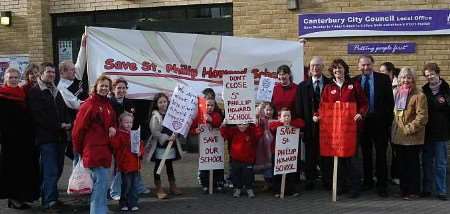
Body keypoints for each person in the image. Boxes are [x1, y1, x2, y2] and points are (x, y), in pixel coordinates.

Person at [318, 59, 368, 198]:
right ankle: (340, 186)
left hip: (351, 129)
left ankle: (355, 188)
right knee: (338, 159)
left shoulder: (354, 85)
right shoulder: (328, 88)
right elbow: (323, 106)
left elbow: (364, 103)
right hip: (335, 131)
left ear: (345, 69)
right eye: (335, 69)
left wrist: (360, 113)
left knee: (352, 159)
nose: (337, 71)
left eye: (340, 68)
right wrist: (317, 115)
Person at [28, 62, 71, 210]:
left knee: (57, 169)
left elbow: (63, 109)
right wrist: (59, 126)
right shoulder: (35, 92)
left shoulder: (55, 90)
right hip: (46, 138)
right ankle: (48, 201)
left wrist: (67, 123)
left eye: (53, 72)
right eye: (48, 72)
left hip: (59, 138)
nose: (52, 74)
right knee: (50, 171)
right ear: (41, 74)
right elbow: (39, 117)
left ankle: (50, 196)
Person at [72, 75, 117, 214]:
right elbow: (77, 130)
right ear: (96, 87)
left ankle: (102, 208)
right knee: (101, 182)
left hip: (104, 150)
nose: (104, 88)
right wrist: (79, 150)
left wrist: (113, 127)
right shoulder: (89, 104)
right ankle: (97, 211)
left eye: (106, 86)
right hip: (93, 150)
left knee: (103, 183)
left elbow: (113, 121)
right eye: (102, 85)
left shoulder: (107, 104)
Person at [354, 55, 394, 197]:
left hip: (380, 124)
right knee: (365, 154)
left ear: (373, 64)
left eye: (368, 64)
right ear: (359, 66)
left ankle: (382, 185)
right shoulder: (355, 81)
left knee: (381, 154)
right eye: (363, 65)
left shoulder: (383, 79)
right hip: (363, 124)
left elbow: (390, 103)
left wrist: (388, 123)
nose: (366, 67)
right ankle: (368, 181)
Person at [0, 67, 40, 209]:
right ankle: (13, 199)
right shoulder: (2, 95)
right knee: (13, 170)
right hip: (10, 140)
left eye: (16, 77)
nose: (13, 80)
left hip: (25, 139)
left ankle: (21, 198)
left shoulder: (22, 93)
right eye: (10, 77)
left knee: (25, 169)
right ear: (5, 78)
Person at [109, 78, 150, 201]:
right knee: (118, 165)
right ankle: (115, 190)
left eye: (123, 88)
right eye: (119, 88)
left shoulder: (130, 103)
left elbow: (134, 120)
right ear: (113, 89)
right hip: (116, 136)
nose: (121, 90)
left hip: (130, 135)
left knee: (134, 162)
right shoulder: (109, 103)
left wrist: (136, 135)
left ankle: (138, 186)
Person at [294, 56, 332, 190]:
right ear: (309, 68)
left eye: (318, 65)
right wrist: (303, 127)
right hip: (309, 128)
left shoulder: (330, 84)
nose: (315, 68)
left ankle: (327, 180)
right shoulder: (302, 86)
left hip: (327, 128)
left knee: (326, 156)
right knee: (310, 155)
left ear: (323, 67)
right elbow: (299, 109)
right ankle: (310, 180)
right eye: (312, 66)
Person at [392, 67, 428, 200]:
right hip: (398, 137)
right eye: (403, 77)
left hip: (412, 137)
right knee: (402, 165)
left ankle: (414, 192)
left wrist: (408, 129)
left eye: (409, 78)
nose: (406, 80)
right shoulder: (399, 93)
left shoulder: (420, 95)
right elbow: (396, 115)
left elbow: (422, 117)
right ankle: (404, 190)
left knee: (412, 166)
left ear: (413, 79)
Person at [57, 34, 88, 162]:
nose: (74, 71)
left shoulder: (75, 75)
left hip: (86, 118)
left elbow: (80, 61)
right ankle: (76, 180)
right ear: (63, 72)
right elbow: (75, 104)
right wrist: (92, 102)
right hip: (76, 123)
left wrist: (83, 45)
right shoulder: (62, 87)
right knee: (77, 153)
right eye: (71, 70)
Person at [421, 63, 450, 201]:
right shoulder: (424, 90)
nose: (430, 77)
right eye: (427, 75)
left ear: (438, 73)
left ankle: (441, 191)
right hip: (426, 133)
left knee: (440, 164)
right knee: (426, 162)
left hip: (442, 133)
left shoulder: (446, 90)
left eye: (432, 74)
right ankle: (427, 189)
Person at [148, 93, 184, 199]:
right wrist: (166, 137)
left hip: (171, 145)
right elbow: (155, 132)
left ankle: (173, 186)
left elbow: (177, 126)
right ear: (156, 104)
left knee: (169, 165)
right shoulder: (155, 116)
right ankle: (158, 188)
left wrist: (175, 134)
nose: (163, 104)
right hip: (161, 145)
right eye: (160, 102)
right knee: (159, 166)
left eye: (165, 102)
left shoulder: (171, 114)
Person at [111, 112, 144, 211]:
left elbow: (141, 145)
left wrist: (140, 152)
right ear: (120, 122)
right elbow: (114, 146)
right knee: (126, 185)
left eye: (130, 122)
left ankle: (133, 202)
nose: (129, 124)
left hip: (135, 164)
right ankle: (123, 203)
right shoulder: (118, 134)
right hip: (124, 165)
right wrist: (112, 136)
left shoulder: (134, 133)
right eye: (126, 122)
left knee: (134, 185)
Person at [220, 121, 263, 198]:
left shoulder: (252, 130)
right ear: (236, 123)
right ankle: (237, 189)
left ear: (248, 123)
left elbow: (259, 134)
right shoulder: (233, 130)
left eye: (245, 124)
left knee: (248, 175)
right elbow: (224, 134)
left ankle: (249, 189)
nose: (242, 126)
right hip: (235, 159)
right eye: (240, 124)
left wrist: (256, 125)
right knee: (236, 175)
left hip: (248, 159)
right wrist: (224, 125)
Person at [269, 108, 305, 197]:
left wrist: (289, 124)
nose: (286, 118)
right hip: (277, 152)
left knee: (290, 173)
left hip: (289, 153)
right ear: (280, 117)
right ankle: (276, 191)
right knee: (277, 173)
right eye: (284, 116)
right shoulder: (276, 125)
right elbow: (272, 127)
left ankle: (290, 190)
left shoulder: (293, 124)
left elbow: (301, 123)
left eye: (288, 116)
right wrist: (282, 123)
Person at [190, 98, 224, 194]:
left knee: (217, 166)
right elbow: (192, 128)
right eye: (207, 105)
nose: (209, 107)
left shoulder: (217, 115)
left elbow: (218, 123)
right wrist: (195, 131)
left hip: (216, 148)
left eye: (211, 105)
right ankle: (205, 184)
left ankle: (218, 183)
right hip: (204, 148)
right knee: (204, 167)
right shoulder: (199, 116)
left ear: (215, 106)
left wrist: (211, 120)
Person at [255, 102, 276, 191]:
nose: (268, 112)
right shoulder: (260, 121)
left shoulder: (276, 121)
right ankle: (266, 183)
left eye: (270, 110)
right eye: (267, 110)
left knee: (269, 165)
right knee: (264, 165)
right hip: (261, 148)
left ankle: (270, 183)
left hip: (271, 147)